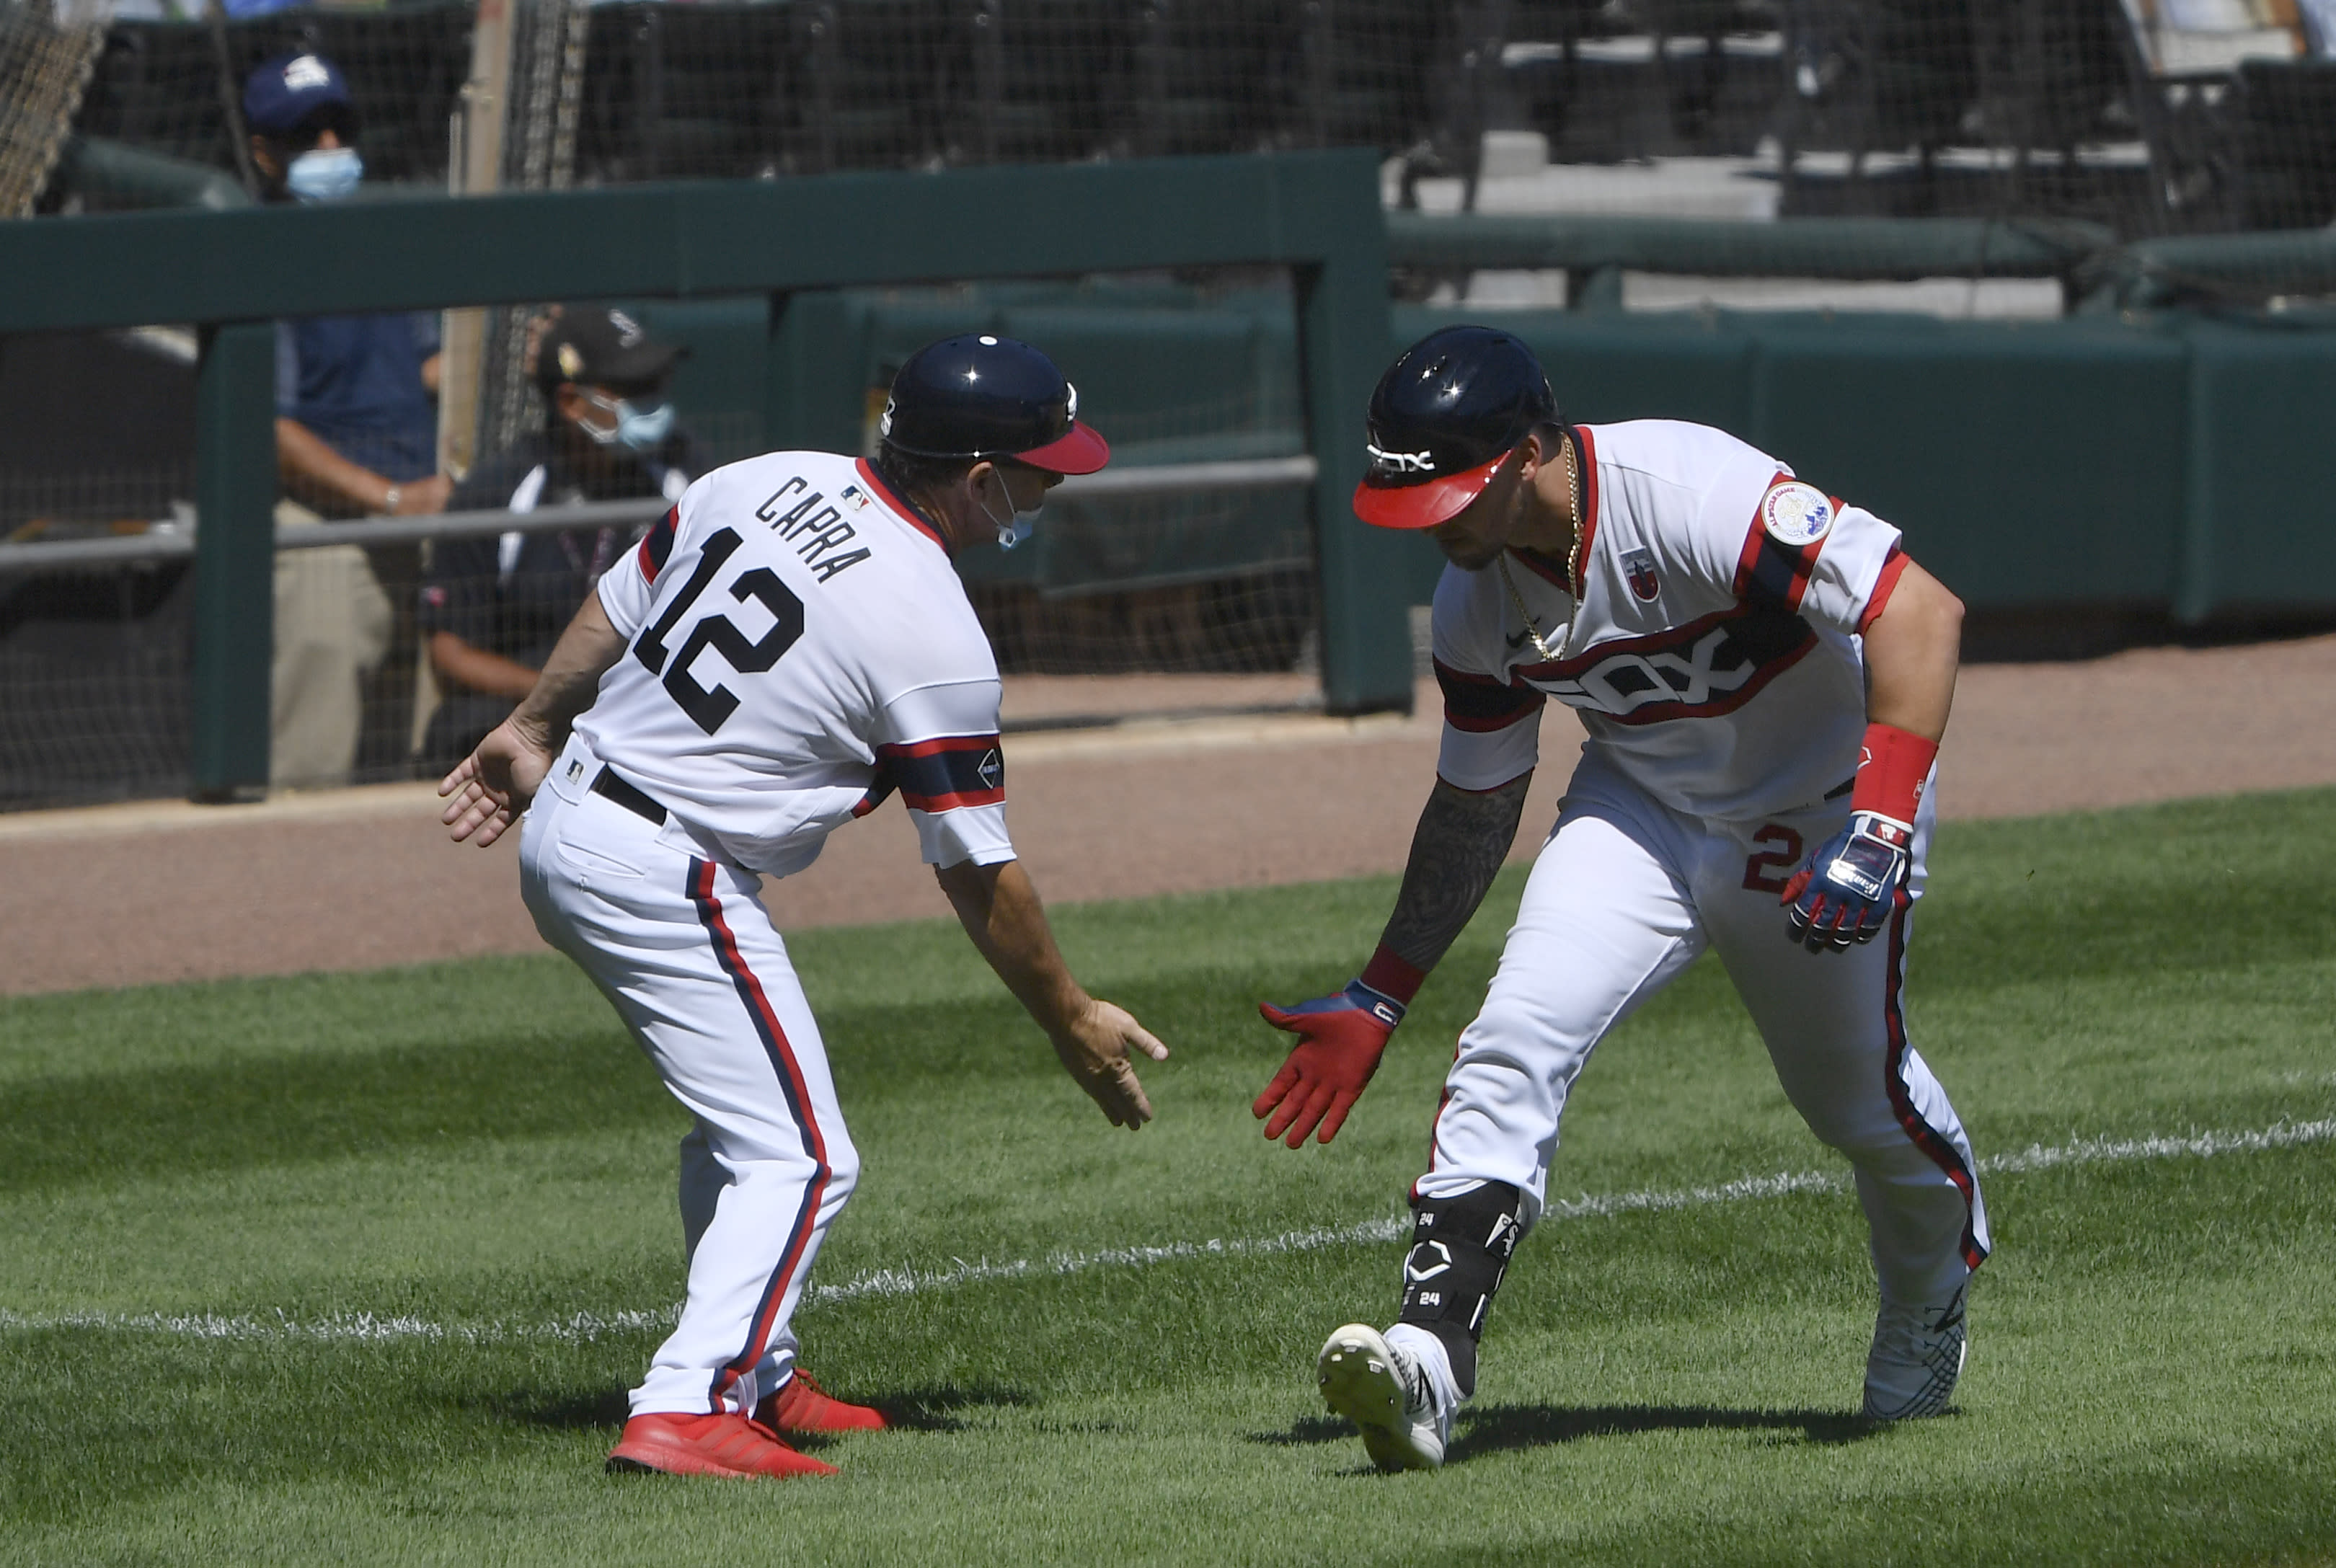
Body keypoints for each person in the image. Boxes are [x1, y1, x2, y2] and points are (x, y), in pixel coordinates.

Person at [438, 334, 1169, 1481]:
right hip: (662, 863)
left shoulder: (768, 472)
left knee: (742, 1132)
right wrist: (1070, 1015)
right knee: (807, 1154)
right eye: (1044, 466)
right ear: (981, 479)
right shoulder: (934, 628)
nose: (1056, 483)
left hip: (576, 816)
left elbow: (621, 599)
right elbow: (977, 870)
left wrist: (531, 725)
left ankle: (760, 1366)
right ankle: (691, 1402)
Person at [1260, 325, 1986, 1471]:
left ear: (1529, 451)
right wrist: (1381, 989)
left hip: (1819, 805)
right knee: (1513, 1036)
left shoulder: (1685, 485)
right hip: (1639, 803)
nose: (1435, 526)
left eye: (1451, 494)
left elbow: (1918, 610)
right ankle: (1429, 1359)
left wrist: (1878, 825)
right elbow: (1475, 803)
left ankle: (1932, 1288)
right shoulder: (1473, 605)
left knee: (1854, 1105)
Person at [244, 49, 452, 786]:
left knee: (431, 745)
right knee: (316, 734)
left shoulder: (380, 246)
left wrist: (497, 359)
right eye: (308, 135)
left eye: (339, 129)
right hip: (322, 522)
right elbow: (273, 432)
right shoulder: (254, 258)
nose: (330, 149)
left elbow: (424, 366)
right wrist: (392, 501)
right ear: (264, 152)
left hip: (420, 510)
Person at [416, 304, 710, 776]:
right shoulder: (498, 491)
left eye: (655, 383)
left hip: (653, 715)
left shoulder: (687, 472)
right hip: (529, 710)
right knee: (463, 731)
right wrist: (558, 694)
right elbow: (450, 652)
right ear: (572, 402)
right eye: (633, 389)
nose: (654, 400)